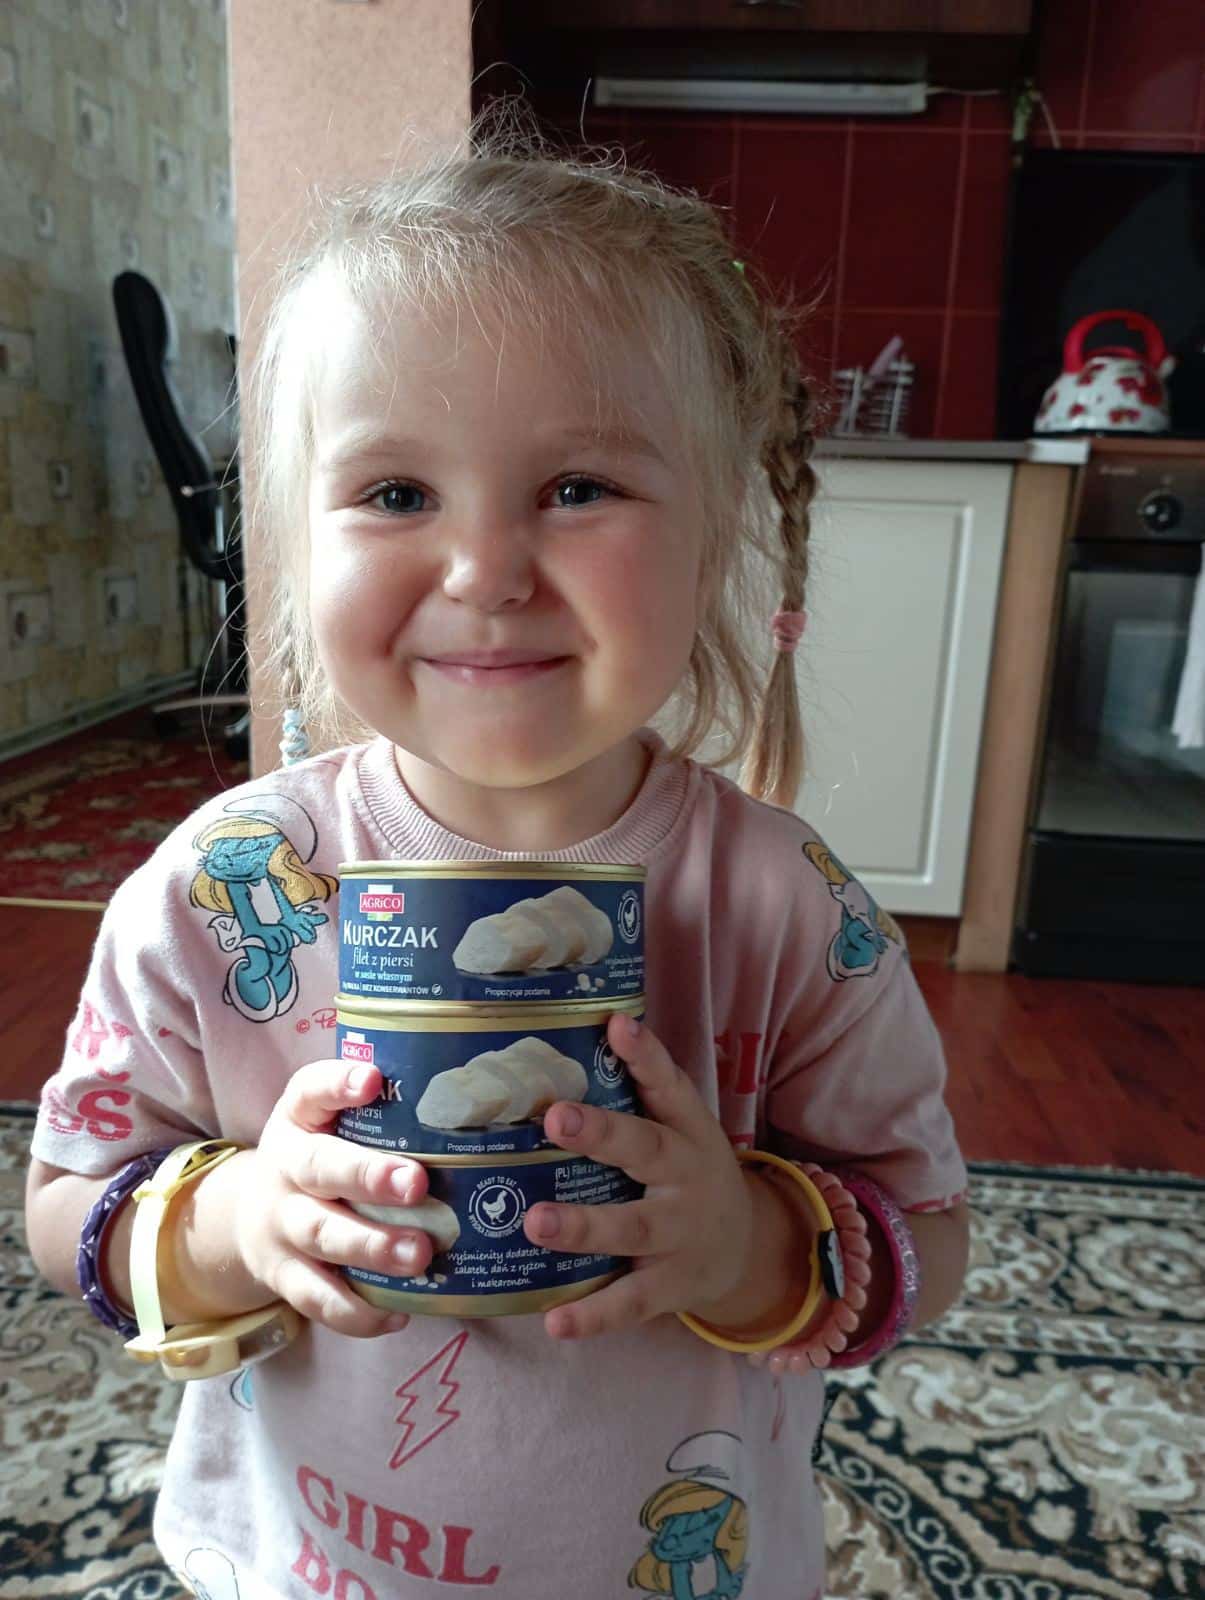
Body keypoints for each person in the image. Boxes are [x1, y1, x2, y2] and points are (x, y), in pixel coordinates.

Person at [25, 123, 969, 1600]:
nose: (484, 572)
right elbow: (67, 1204)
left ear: (716, 523)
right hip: (306, 1566)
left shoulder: (787, 907)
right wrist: (233, 1224)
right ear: (295, 539)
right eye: (397, 495)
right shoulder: (223, 885)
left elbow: (928, 1235)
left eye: (578, 486)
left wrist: (745, 1244)